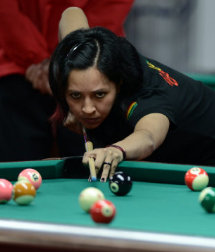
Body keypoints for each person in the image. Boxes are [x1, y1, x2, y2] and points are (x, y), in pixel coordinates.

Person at [49, 7, 215, 182]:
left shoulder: (148, 96)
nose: (87, 108)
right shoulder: (84, 54)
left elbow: (148, 137)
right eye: (76, 96)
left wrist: (115, 150)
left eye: (99, 95)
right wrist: (70, 105)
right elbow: (71, 13)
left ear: (118, 84)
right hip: (169, 146)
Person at [0, 0, 134, 161]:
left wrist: (65, 68)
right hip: (19, 68)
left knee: (94, 163)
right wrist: (35, 59)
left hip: (92, 71)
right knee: (16, 169)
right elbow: (6, 12)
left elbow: (106, 15)